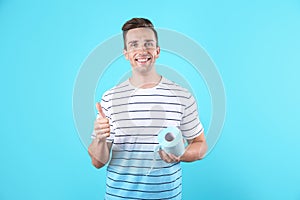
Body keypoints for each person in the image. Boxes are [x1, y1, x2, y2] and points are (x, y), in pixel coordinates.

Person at [88, 17, 208, 200]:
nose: (142, 50)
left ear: (157, 51)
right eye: (134, 45)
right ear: (126, 53)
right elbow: (97, 162)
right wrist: (100, 138)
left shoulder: (182, 96)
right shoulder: (110, 98)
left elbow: (201, 146)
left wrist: (181, 154)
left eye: (148, 44)